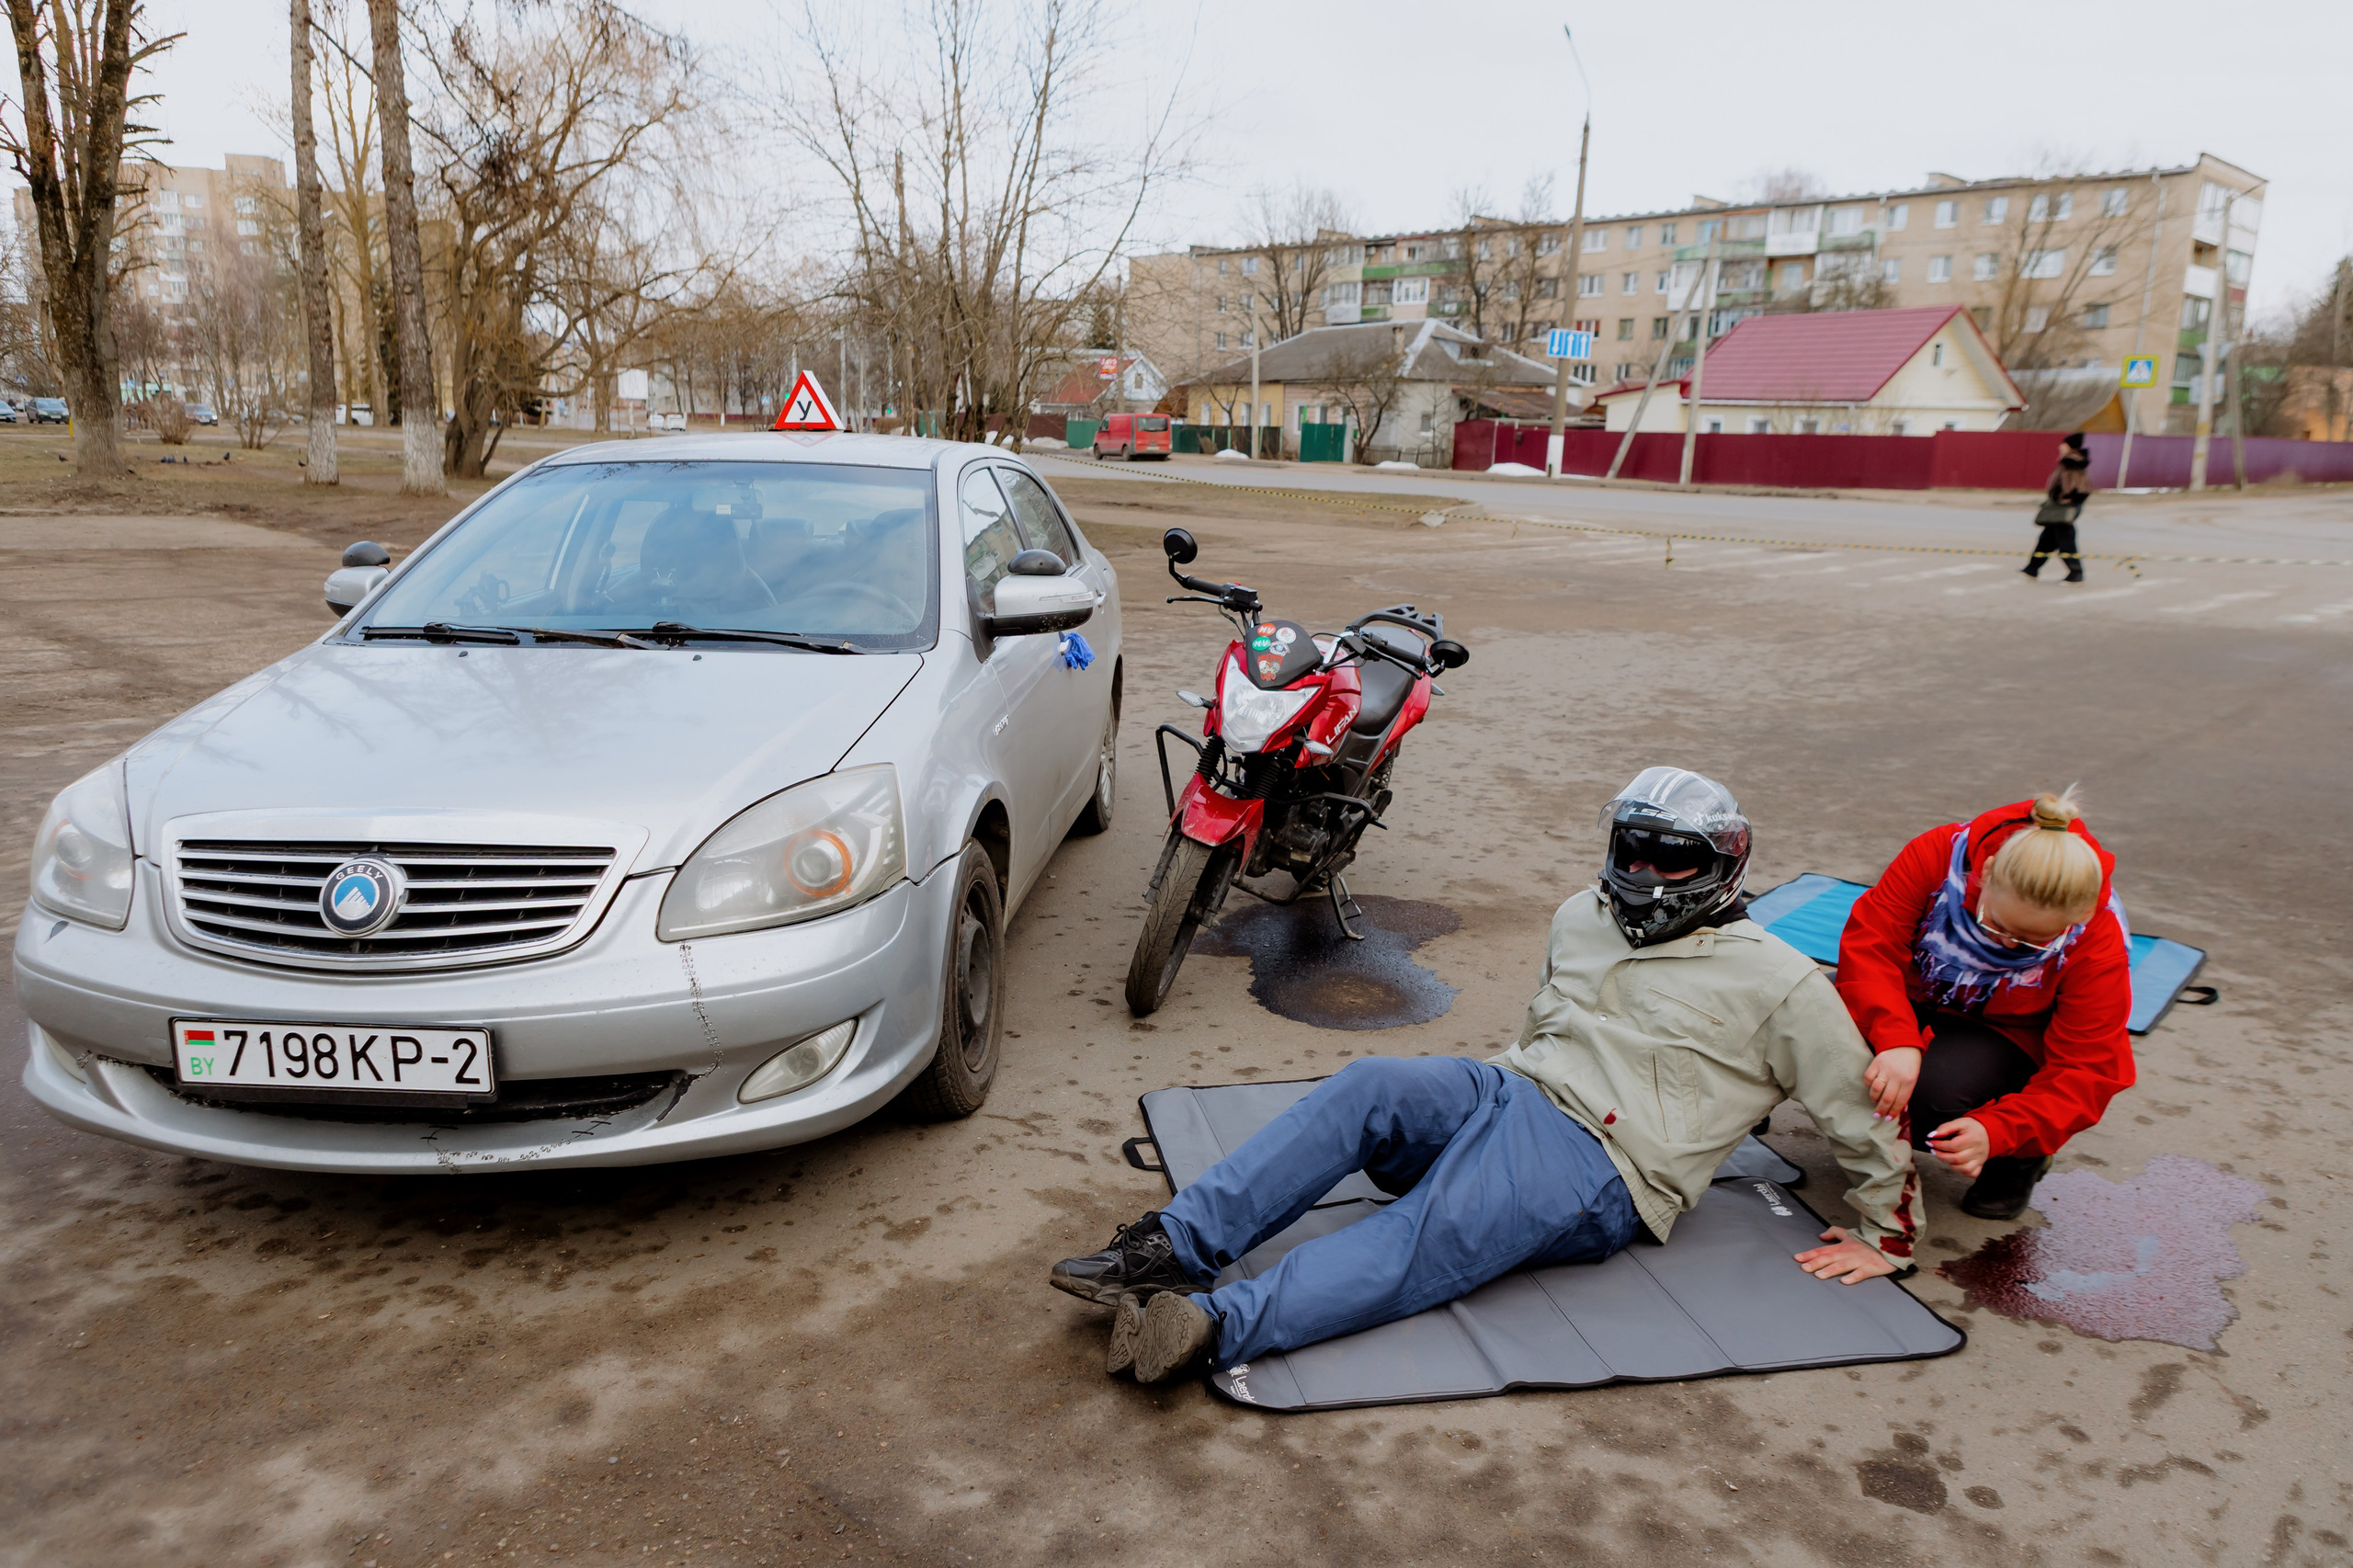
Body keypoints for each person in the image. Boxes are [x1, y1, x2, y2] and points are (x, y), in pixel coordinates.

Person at [1051, 767, 1920, 1386]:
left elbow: (1859, 1106)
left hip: (1607, 1168)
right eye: (1633, 849)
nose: (1645, 873)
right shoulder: (1583, 914)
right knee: (1369, 1087)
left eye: (1671, 858)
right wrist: (1477, 1110)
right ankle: (1170, 1247)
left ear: (1722, 867)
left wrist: (1888, 1232)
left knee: (1427, 1230)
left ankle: (1212, 1327)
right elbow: (1544, 1024)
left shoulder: (1780, 984)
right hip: (1514, 1090)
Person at [1835, 790, 2134, 1221]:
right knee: (1801, 1015)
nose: (2008, 945)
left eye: (2033, 942)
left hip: (2007, 1032)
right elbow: (1871, 947)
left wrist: (1998, 1130)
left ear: (2080, 918)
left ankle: (2019, 1159)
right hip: (1915, 994)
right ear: (1986, 872)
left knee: (1926, 1103)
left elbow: (2089, 1069)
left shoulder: (2096, 939)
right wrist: (1896, 1037)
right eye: (1997, 925)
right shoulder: (1938, 854)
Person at [2023, 433, 2091, 582]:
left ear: (2069, 446)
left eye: (2064, 444)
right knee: (2047, 539)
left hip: (2064, 507)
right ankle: (2032, 569)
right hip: (2061, 505)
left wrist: (2065, 497)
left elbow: (2079, 486)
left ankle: (2076, 573)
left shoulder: (2071, 463)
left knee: (2066, 541)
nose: (2060, 446)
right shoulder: (2070, 462)